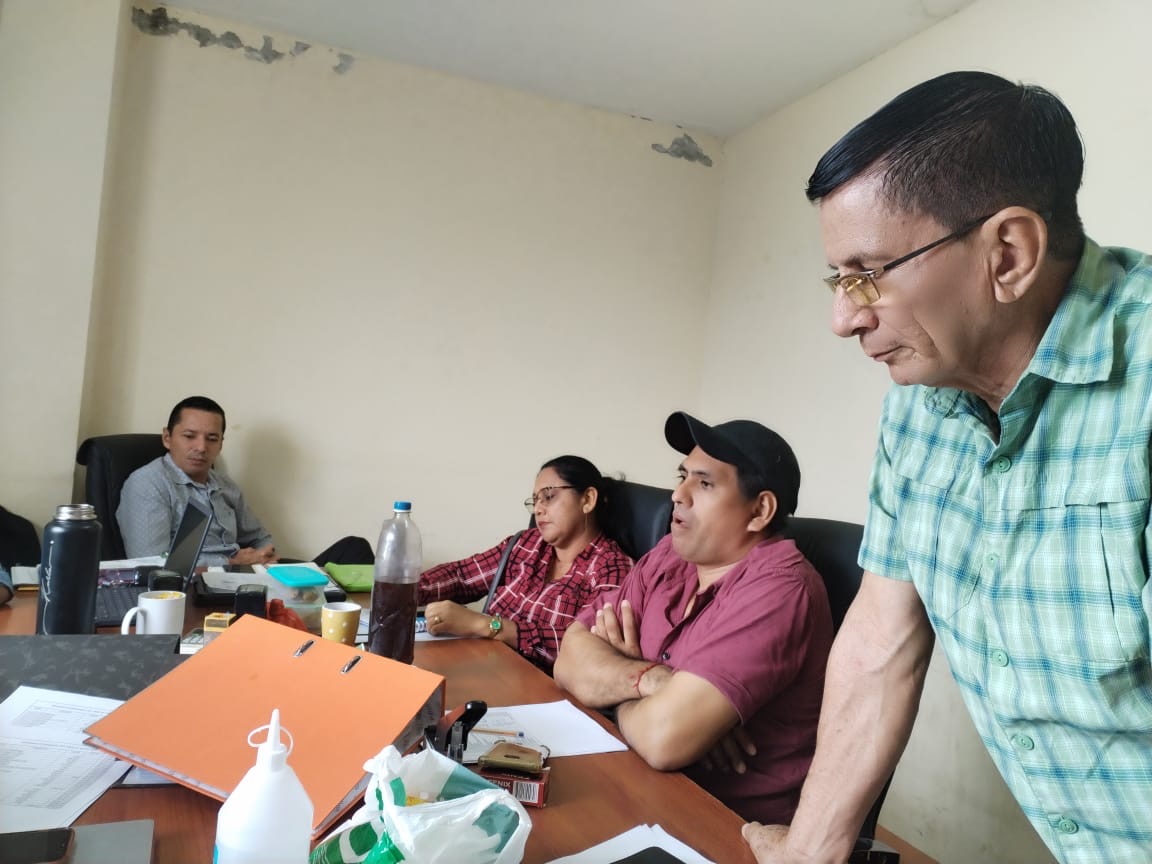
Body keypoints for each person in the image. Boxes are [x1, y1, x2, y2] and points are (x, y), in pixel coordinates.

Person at [742, 72, 1152, 864]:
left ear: (1008, 254)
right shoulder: (920, 404)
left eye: (867, 274)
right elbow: (881, 641)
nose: (843, 318)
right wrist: (808, 853)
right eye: (837, 279)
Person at [554, 412, 833, 825]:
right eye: (682, 476)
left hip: (720, 826)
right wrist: (653, 681)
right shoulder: (671, 554)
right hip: (633, 782)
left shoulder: (780, 590)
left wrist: (616, 689)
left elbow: (663, 739)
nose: (677, 495)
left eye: (704, 483)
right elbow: (569, 655)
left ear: (760, 511)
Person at [420, 455, 632, 671]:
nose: (538, 509)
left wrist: (484, 625)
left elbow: (587, 649)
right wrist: (403, 589)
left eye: (548, 496)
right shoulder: (526, 543)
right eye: (535, 500)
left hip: (539, 686)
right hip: (485, 666)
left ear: (587, 499)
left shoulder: (613, 568)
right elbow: (462, 576)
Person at [117, 396, 373, 567]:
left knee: (354, 548)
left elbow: (259, 536)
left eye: (212, 439)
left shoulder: (224, 485)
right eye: (189, 436)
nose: (201, 447)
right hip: (199, 587)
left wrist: (265, 555)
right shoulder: (148, 484)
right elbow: (150, 564)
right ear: (167, 437)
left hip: (248, 576)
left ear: (221, 444)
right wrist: (230, 563)